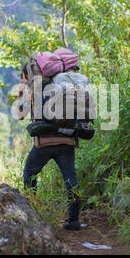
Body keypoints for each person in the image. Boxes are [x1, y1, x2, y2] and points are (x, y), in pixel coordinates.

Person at [16, 64, 81, 231]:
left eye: (23, 77)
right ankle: (73, 221)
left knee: (29, 174)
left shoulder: (33, 92)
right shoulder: (64, 89)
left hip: (44, 144)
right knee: (71, 181)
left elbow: (20, 115)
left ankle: (34, 214)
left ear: (28, 76)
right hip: (66, 141)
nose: (22, 80)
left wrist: (21, 93)